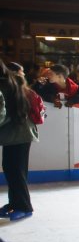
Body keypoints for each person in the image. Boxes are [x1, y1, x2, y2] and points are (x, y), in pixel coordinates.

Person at [1, 61, 45, 222]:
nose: (24, 74)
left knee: (16, 171)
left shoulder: (9, 87)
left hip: (19, 134)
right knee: (11, 169)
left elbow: (4, 115)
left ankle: (24, 207)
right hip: (14, 134)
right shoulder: (11, 86)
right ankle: (14, 203)